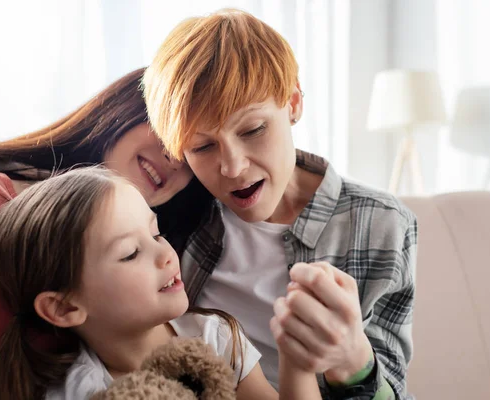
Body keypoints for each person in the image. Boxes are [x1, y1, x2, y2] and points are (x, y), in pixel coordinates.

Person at [143, 9, 418, 399]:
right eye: (203, 146)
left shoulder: (382, 224)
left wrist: (354, 361)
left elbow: (392, 389)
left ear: (292, 103)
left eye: (253, 129)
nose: (233, 167)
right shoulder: (175, 212)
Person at [0, 68, 210, 400]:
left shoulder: (156, 299)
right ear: (125, 108)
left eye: (194, 153)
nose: (174, 159)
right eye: (166, 130)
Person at [0, 167, 323, 400]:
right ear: (65, 307)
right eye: (131, 253)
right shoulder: (78, 390)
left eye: (156, 233)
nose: (165, 254)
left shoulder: (215, 339)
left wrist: (298, 362)